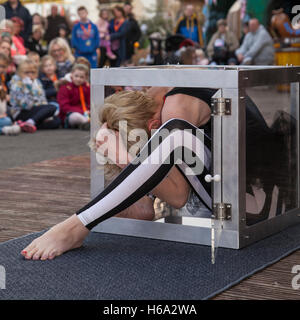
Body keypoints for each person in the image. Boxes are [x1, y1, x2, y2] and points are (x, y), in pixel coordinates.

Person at [9, 59, 61, 133]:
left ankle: (25, 125)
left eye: (32, 72)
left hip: (36, 110)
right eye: (27, 72)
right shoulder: (16, 83)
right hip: (21, 112)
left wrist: (44, 114)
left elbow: (43, 99)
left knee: (56, 121)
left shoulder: (37, 82)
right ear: (20, 73)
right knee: (52, 107)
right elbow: (25, 105)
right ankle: (31, 122)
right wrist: (28, 87)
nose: (30, 75)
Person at [57, 63, 90, 130]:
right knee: (76, 116)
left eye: (81, 77)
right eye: (76, 76)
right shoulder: (65, 88)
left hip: (86, 113)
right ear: (71, 74)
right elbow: (64, 107)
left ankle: (85, 124)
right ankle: (87, 124)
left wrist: (89, 110)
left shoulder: (87, 88)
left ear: (86, 78)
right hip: (70, 114)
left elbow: (90, 102)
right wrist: (82, 111)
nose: (78, 79)